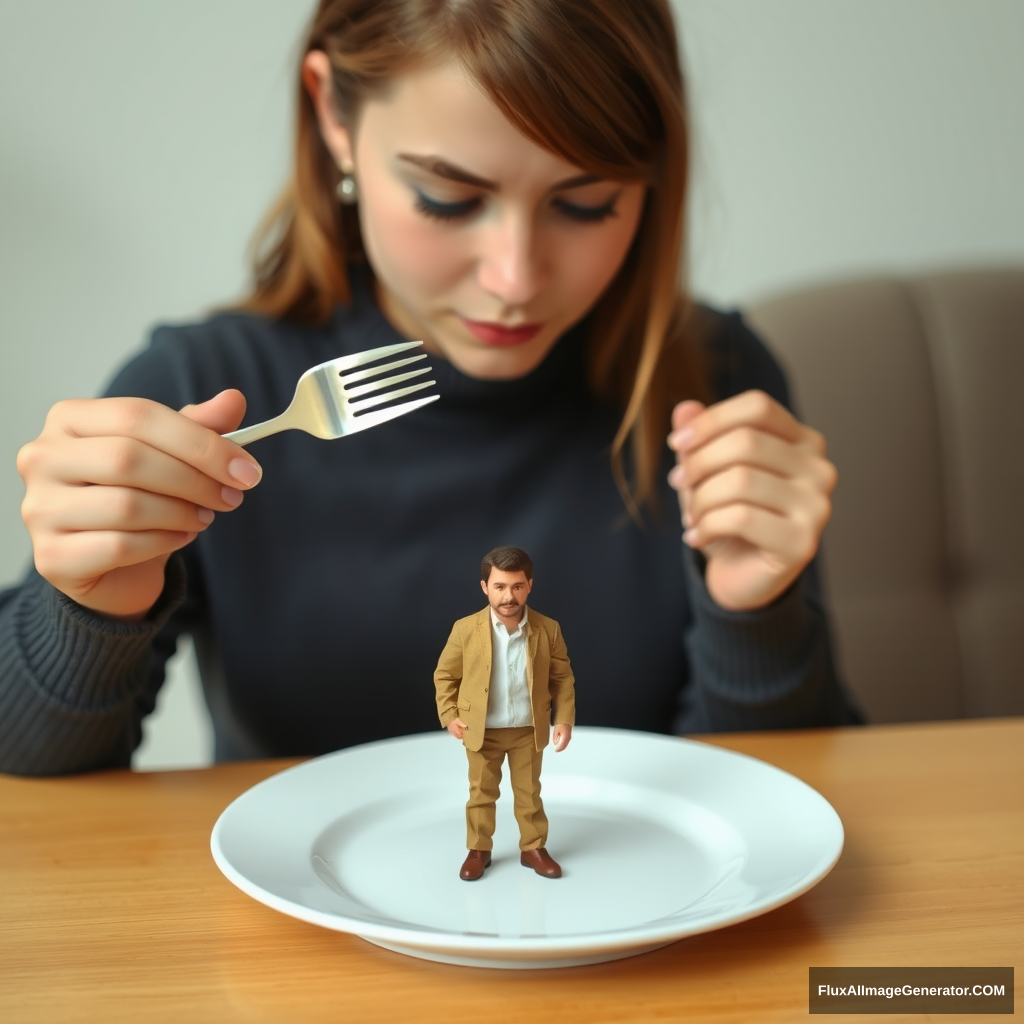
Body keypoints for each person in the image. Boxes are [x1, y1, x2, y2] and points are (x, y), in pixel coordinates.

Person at [0, 0, 860, 777]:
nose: (515, 278)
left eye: (586, 203)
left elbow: (788, 804)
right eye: (448, 198)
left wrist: (757, 613)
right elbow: (33, 790)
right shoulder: (200, 395)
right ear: (333, 113)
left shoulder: (716, 381)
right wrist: (85, 608)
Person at [435, 546, 575, 880]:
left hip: (529, 729)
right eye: (499, 586)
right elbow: (445, 675)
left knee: (529, 794)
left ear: (529, 585)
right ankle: (478, 849)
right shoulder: (465, 629)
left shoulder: (547, 628)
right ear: (485, 587)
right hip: (481, 729)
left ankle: (533, 847)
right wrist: (449, 713)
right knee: (481, 795)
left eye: (516, 586)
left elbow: (562, 677)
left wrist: (564, 718)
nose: (508, 595)